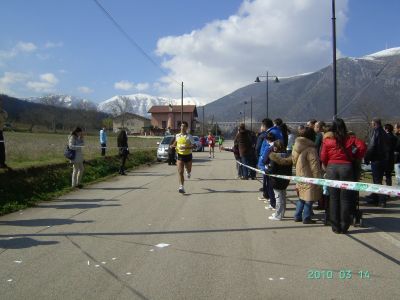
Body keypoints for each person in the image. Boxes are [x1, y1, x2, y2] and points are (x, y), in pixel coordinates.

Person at [320, 118, 367, 234]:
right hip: (347, 168)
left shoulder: (328, 141)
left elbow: (323, 157)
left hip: (332, 168)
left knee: (334, 198)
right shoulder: (351, 139)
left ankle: (335, 226)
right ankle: (344, 225)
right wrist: (355, 156)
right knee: (346, 198)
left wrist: (327, 164)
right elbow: (363, 147)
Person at [292, 127, 322, 224]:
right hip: (309, 175)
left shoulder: (297, 147)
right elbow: (314, 165)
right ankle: (306, 217)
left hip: (299, 174)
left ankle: (297, 215)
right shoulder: (311, 149)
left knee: (301, 196)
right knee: (309, 198)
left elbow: (293, 160)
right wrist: (318, 179)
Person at [364, 118, 390, 206]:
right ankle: (375, 198)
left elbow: (371, 146)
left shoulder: (375, 132)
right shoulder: (385, 133)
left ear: (375, 124)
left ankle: (382, 200)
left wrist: (367, 158)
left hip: (376, 160)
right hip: (384, 159)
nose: (372, 126)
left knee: (377, 181)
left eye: (372, 124)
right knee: (378, 179)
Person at [265, 140, 292, 221]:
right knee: (283, 197)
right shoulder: (288, 157)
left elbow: (271, 170)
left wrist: (266, 170)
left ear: (275, 148)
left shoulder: (274, 157)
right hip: (285, 180)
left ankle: (278, 215)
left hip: (276, 181)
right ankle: (281, 213)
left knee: (278, 198)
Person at [172, 121, 195, 193]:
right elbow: (175, 143)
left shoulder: (189, 136)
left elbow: (194, 145)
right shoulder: (177, 135)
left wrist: (187, 147)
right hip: (180, 155)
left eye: (184, 126)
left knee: (189, 170)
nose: (182, 127)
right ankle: (181, 186)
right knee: (180, 172)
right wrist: (172, 146)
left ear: (186, 127)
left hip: (188, 155)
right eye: (181, 126)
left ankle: (188, 171)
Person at [0, 98, 8, 168]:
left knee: (1, 147)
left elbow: (3, 119)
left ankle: (2, 163)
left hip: (0, 132)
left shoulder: (3, 112)